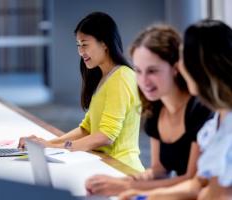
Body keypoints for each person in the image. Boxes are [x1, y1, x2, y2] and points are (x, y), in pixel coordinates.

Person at [85, 24, 213, 196]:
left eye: (152, 71)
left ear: (175, 68)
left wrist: (127, 187)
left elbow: (191, 179)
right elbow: (159, 171)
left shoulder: (200, 109)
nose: (144, 81)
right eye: (138, 71)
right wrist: (123, 180)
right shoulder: (155, 107)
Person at [119, 19, 232, 200]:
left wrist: (139, 191)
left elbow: (209, 190)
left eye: (183, 60)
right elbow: (198, 184)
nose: (180, 65)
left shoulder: (206, 113)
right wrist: (144, 194)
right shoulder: (216, 122)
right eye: (138, 71)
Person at [18, 12, 144, 171]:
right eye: (78, 45)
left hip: (121, 169)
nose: (80, 51)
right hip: (105, 164)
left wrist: (54, 146)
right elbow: (86, 129)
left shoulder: (121, 77)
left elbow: (106, 137)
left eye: (85, 44)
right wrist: (47, 143)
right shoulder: (105, 77)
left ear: (104, 43)